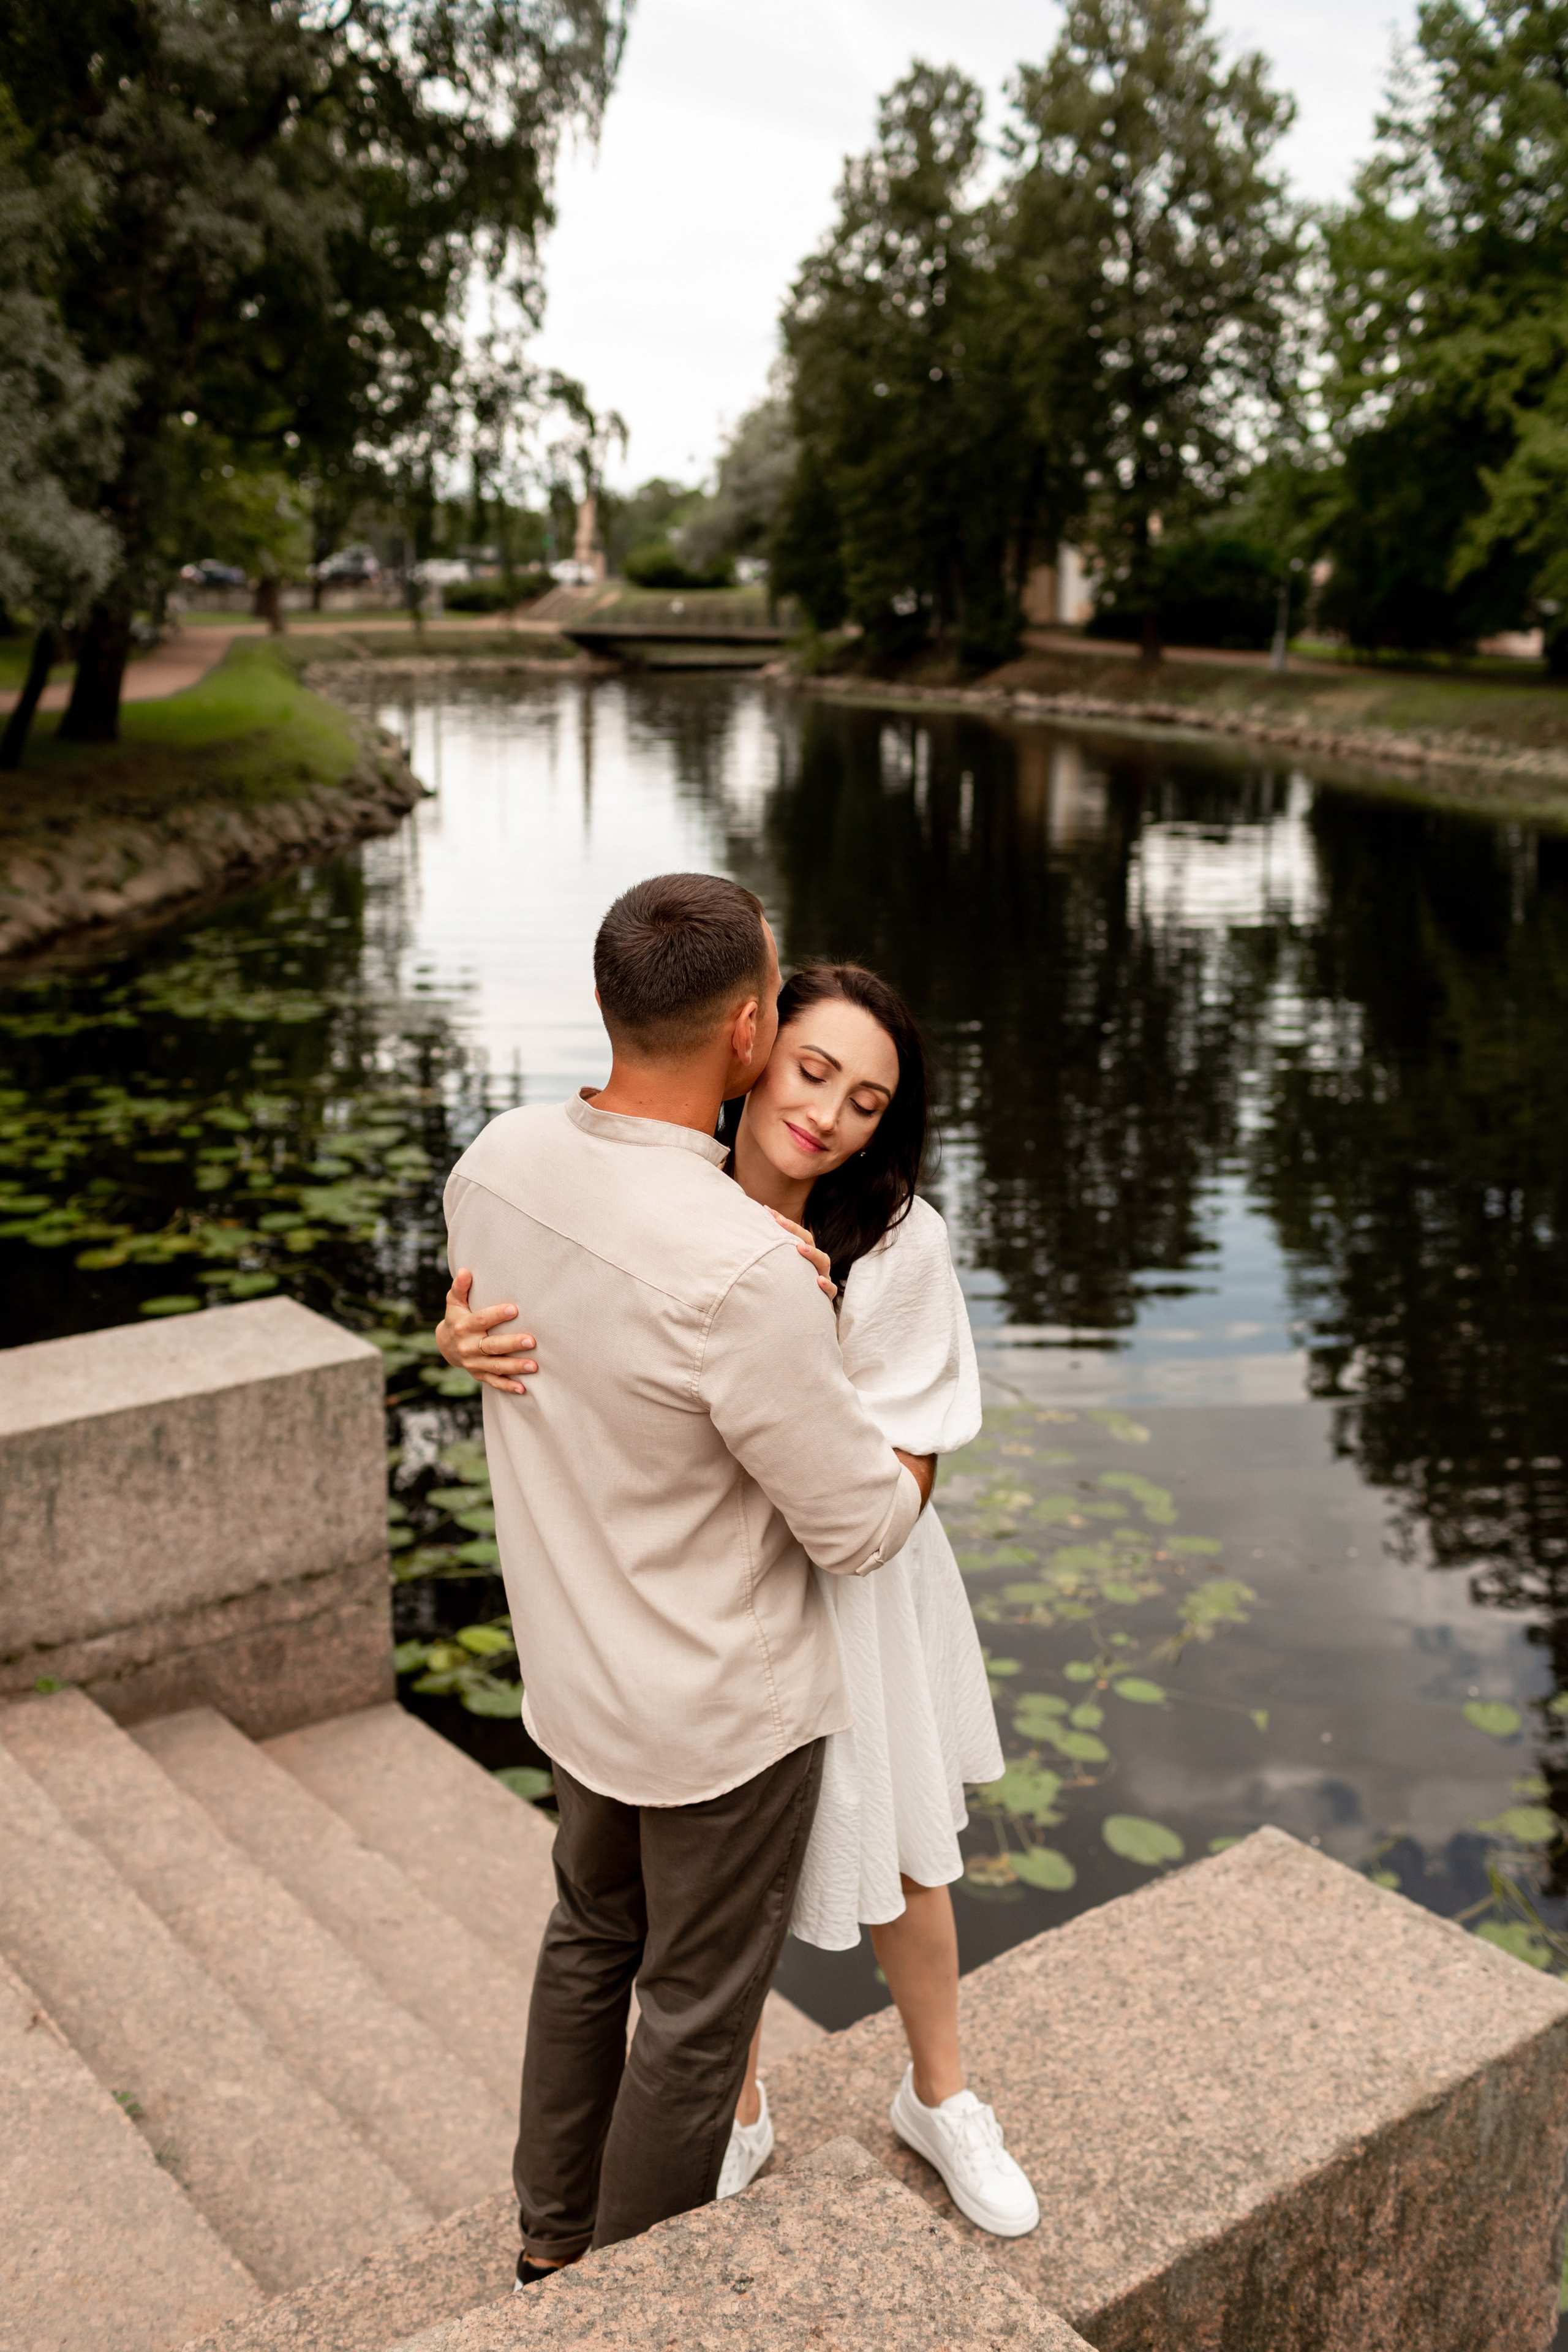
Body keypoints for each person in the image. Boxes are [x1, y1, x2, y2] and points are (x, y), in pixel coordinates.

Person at [443, 957, 1040, 2241]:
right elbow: (582, 1310)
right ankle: (740, 2106)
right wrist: (464, 1338)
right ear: (753, 1046)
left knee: (897, 1849)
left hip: (857, 1584)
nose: (826, 1116)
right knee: (706, 1898)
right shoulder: (668, 1184)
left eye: (868, 1102)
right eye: (812, 1072)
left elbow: (883, 1463)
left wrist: (785, 1321)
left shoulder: (897, 1239)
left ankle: (940, 2094)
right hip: (709, 1595)